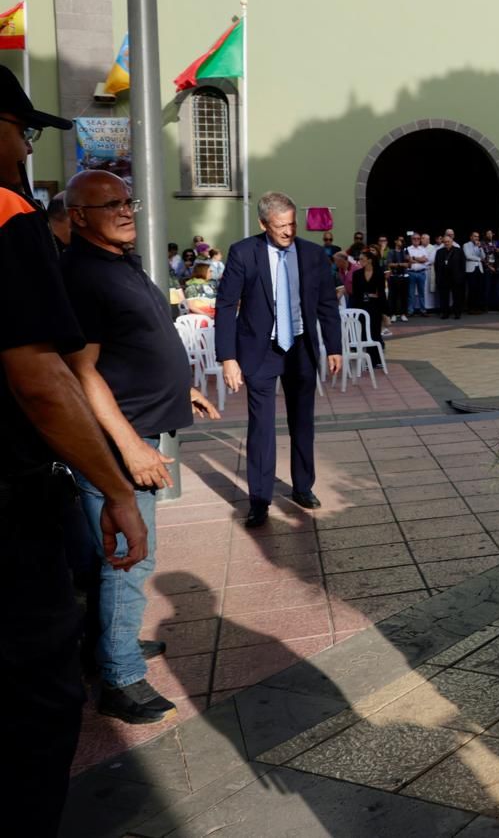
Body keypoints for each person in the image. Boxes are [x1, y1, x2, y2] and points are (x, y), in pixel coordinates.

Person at [0, 66, 149, 836]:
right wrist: (115, 485)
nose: (26, 145)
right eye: (20, 127)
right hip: (6, 505)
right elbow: (42, 378)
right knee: (36, 700)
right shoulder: (6, 215)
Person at [59, 169, 221, 724]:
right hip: (116, 438)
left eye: (128, 201)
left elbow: (136, 343)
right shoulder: (82, 273)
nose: (126, 211)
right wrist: (129, 447)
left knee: (114, 559)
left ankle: (107, 646)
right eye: (109, 205)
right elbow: (83, 373)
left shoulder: (117, 261)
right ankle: (120, 676)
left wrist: (183, 386)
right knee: (129, 557)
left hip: (141, 424)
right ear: (78, 216)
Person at [215, 191, 342, 528]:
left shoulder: (313, 255)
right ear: (263, 224)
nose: (288, 231)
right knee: (261, 426)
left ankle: (303, 487)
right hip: (260, 351)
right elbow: (226, 306)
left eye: (292, 224)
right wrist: (227, 357)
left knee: (303, 422)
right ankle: (259, 499)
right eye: (280, 226)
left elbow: (328, 304)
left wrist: (334, 347)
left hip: (301, 347)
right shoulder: (244, 253)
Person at [351, 250, 388, 359]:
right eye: (359, 259)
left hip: (375, 307)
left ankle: (376, 359)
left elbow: (381, 293)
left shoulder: (378, 273)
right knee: (364, 333)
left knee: (375, 332)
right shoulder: (357, 274)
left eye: (362, 259)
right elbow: (356, 293)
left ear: (369, 260)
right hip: (361, 306)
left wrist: (385, 312)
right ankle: (366, 359)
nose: (359, 261)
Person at [434, 231, 466, 320]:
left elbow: (463, 265)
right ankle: (445, 313)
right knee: (444, 297)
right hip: (444, 278)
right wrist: (438, 277)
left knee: (457, 297)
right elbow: (436, 266)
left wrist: (461, 277)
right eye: (445, 242)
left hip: (456, 278)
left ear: (452, 242)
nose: (447, 243)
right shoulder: (439, 252)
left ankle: (457, 313)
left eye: (448, 241)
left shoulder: (458, 251)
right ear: (443, 242)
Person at [406, 232, 430, 317]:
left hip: (421, 273)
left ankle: (423, 310)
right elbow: (408, 260)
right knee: (410, 293)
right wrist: (419, 259)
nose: (416, 240)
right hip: (411, 273)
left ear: (420, 240)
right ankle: (410, 311)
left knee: (421, 293)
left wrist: (414, 258)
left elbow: (425, 260)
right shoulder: (408, 249)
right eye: (414, 238)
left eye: (418, 238)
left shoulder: (423, 249)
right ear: (411, 239)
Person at [464, 230, 486, 313]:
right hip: (470, 269)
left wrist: (480, 248)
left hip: (479, 269)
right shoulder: (466, 245)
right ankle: (470, 308)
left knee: (479, 289)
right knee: (471, 289)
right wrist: (479, 259)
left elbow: (483, 256)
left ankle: (477, 307)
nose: (477, 238)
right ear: (471, 237)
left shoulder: (479, 245)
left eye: (477, 236)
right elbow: (468, 256)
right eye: (475, 236)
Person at [483, 229, 499, 311]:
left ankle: (498, 306)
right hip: (488, 268)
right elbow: (482, 257)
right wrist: (489, 266)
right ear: (485, 235)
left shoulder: (497, 243)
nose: (489, 235)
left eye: (490, 233)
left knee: (497, 288)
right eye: (487, 234)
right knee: (487, 287)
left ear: (493, 234)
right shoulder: (482, 243)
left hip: (497, 268)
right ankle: (486, 306)